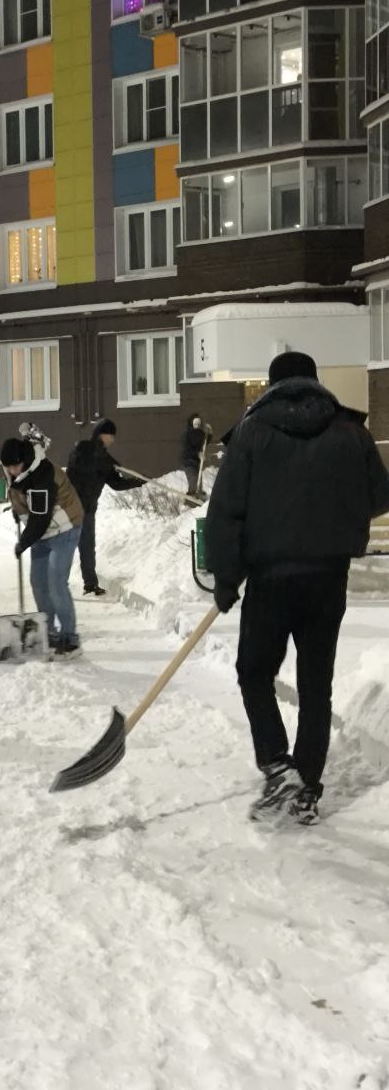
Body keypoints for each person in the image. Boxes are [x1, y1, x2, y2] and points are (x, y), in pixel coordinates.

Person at [206, 351, 389, 826]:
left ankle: (276, 764)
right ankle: (306, 788)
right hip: (328, 579)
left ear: (272, 385)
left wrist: (225, 577)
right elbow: (379, 496)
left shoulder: (252, 431)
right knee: (315, 685)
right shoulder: (351, 431)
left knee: (254, 672)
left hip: (271, 579)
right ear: (314, 381)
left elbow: (226, 511)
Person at [0, 434, 85, 655]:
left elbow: (40, 518)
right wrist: (18, 509)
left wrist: (23, 543)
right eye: (8, 467)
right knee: (38, 582)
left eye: (15, 466)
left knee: (56, 583)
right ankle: (49, 633)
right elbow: (20, 494)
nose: (12, 471)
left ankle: (70, 637)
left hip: (65, 527)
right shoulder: (16, 470)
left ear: (24, 461)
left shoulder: (43, 475)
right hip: (43, 533)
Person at [66, 419, 143, 597]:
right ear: (102, 434)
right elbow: (84, 465)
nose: (113, 440)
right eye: (111, 435)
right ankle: (58, 583)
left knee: (87, 546)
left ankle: (90, 584)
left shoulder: (105, 460)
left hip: (88, 509)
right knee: (67, 546)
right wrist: (105, 461)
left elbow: (116, 483)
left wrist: (137, 482)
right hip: (72, 507)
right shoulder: (82, 449)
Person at [180, 414, 212, 501]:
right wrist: (198, 453)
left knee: (199, 480)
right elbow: (187, 449)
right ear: (192, 424)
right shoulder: (187, 435)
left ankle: (200, 498)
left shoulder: (201, 433)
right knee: (193, 480)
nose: (197, 425)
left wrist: (209, 434)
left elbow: (205, 442)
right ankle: (191, 500)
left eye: (198, 424)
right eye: (195, 423)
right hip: (188, 460)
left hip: (197, 461)